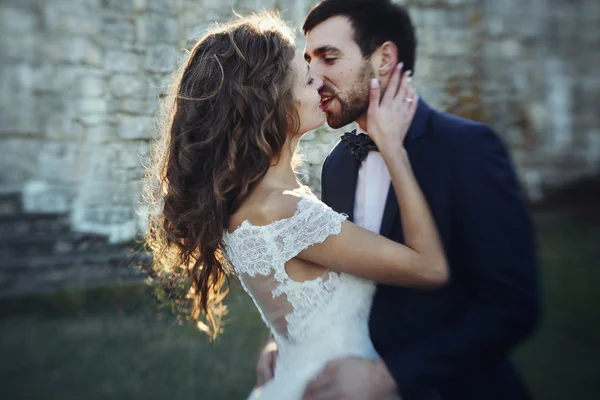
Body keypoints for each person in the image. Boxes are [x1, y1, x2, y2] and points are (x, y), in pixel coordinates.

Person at [144, 11, 449, 400]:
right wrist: (393, 149)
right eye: (306, 79)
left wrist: (278, 343)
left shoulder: (245, 202)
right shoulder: (286, 213)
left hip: (298, 376)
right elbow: (430, 267)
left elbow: (300, 308)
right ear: (270, 105)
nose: (320, 81)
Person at [256, 1, 540, 399]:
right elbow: (339, 282)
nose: (313, 77)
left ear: (385, 58)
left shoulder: (469, 150)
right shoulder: (338, 165)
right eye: (309, 61)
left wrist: (389, 376)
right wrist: (291, 341)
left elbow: (512, 306)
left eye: (329, 58)